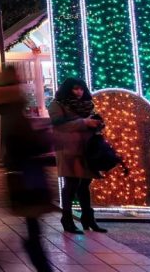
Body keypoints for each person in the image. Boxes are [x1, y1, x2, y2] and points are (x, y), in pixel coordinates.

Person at [0, 67, 54, 272]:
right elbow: (24, 143)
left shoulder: (9, 111)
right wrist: (45, 138)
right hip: (27, 177)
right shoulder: (14, 113)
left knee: (30, 228)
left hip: (20, 175)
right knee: (31, 229)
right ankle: (40, 266)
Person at [48, 78, 106, 234]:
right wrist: (84, 123)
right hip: (69, 149)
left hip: (88, 149)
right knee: (71, 183)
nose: (79, 92)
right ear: (68, 89)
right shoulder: (57, 104)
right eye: (75, 89)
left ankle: (88, 217)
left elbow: (92, 120)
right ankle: (67, 218)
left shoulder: (87, 104)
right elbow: (59, 125)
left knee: (85, 183)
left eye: (81, 89)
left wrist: (97, 123)